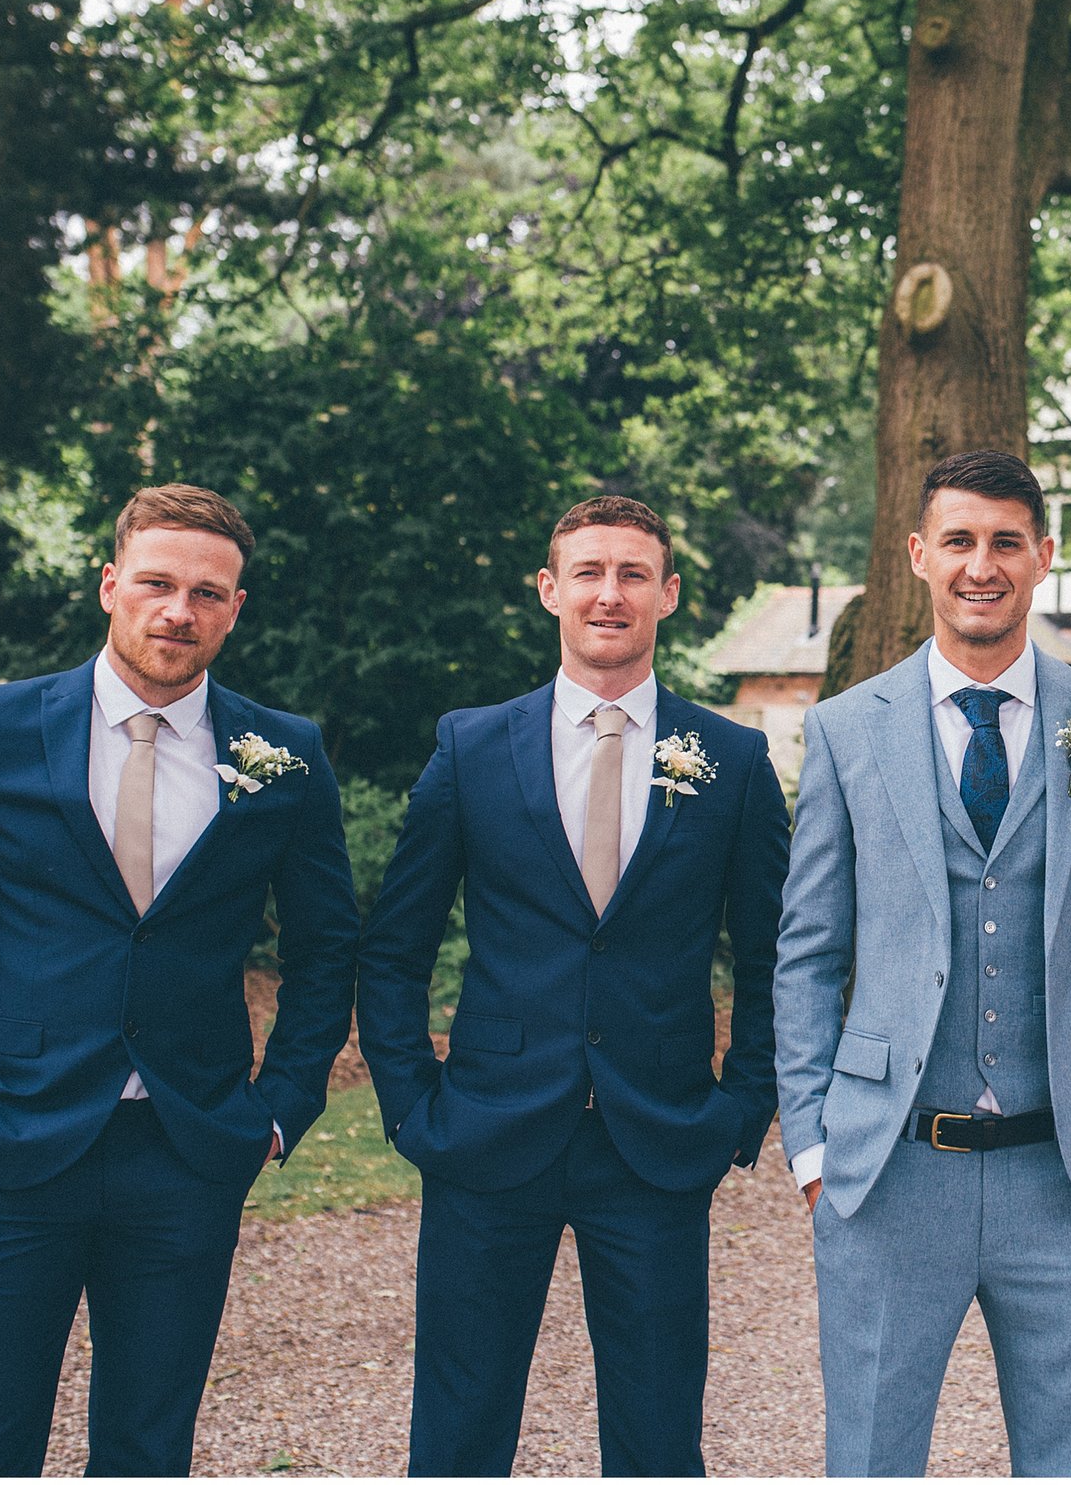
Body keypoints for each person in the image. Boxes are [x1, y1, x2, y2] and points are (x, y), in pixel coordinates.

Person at [0, 484, 359, 1476]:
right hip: (2, 1147)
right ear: (111, 585)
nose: (179, 610)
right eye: (157, 583)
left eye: (209, 593)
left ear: (236, 609)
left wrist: (281, 1108)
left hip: (189, 1150)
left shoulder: (282, 754)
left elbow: (327, 948)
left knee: (148, 1450)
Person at [354, 494, 788, 1477]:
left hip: (656, 1141)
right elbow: (392, 950)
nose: (610, 592)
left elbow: (773, 957)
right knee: (460, 1428)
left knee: (656, 1430)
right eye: (588, 571)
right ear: (549, 590)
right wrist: (412, 1107)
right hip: (485, 1133)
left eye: (634, 573)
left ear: (668, 594)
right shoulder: (471, 747)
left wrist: (737, 1106)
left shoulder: (729, 759)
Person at [773, 449, 1071, 1477]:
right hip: (887, 1168)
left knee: (1068, 1460)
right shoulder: (843, 730)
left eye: (1006, 541)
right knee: (868, 1459)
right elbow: (809, 950)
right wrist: (815, 1145)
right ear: (918, 555)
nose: (981, 564)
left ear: (1043, 556)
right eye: (958, 540)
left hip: (1069, 1171)